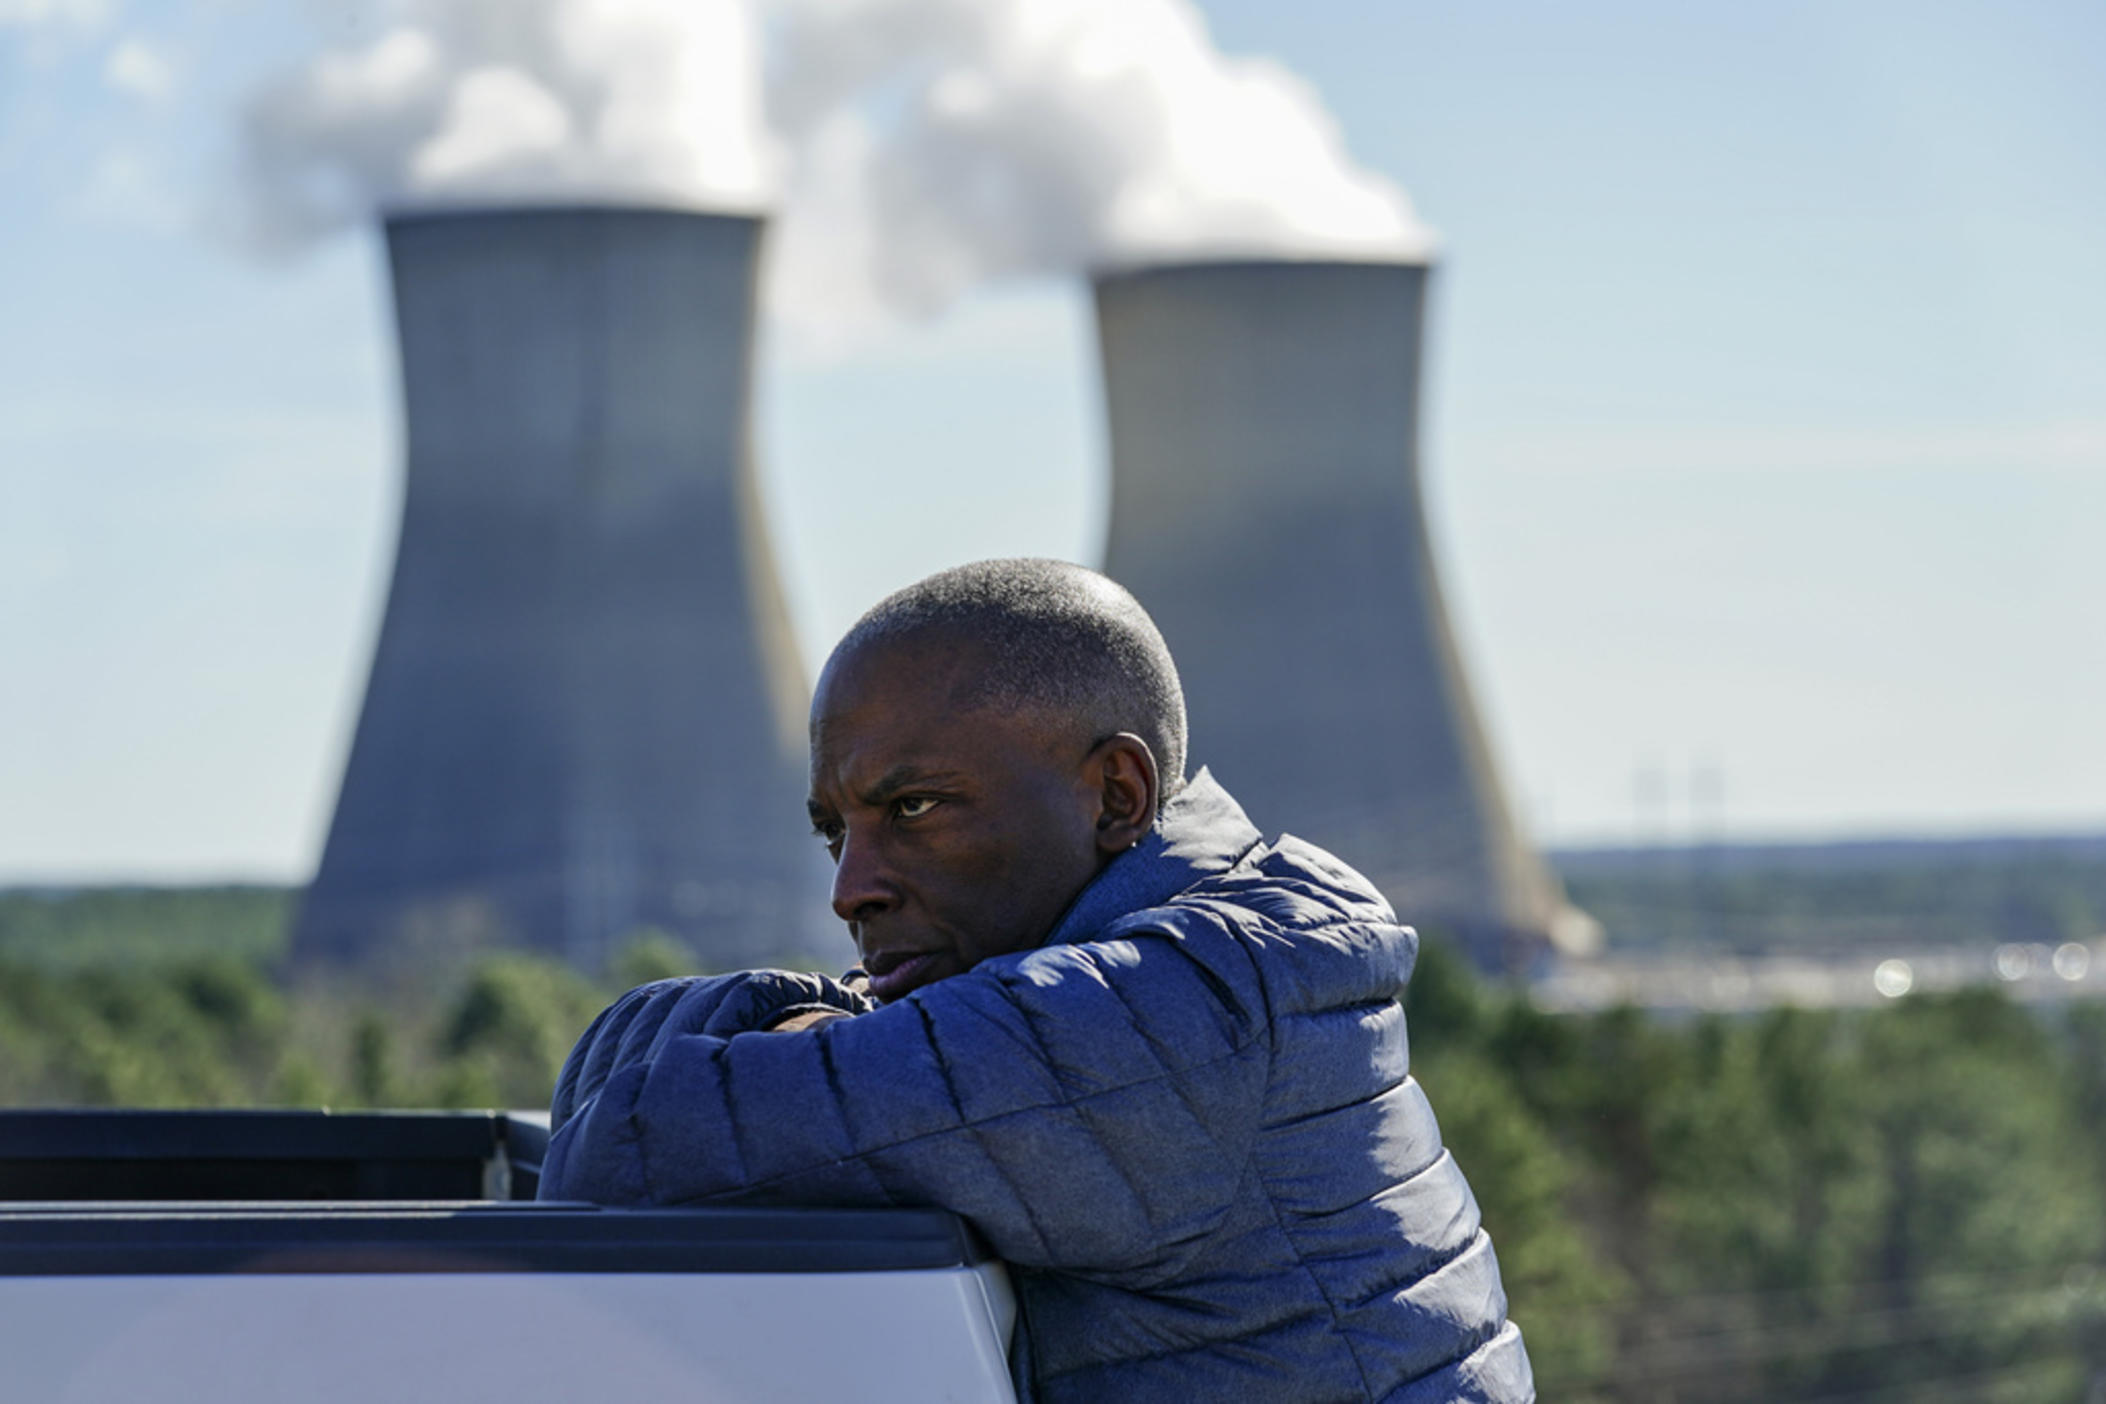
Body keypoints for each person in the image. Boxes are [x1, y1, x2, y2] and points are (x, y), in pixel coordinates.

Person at [540, 558, 1534, 1402]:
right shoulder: (1209, 964)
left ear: (1116, 794)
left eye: (918, 807)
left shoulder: (1171, 1021)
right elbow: (616, 1089)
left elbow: (624, 1154)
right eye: (838, 831)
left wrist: (814, 1046)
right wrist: (807, 1024)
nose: (850, 890)